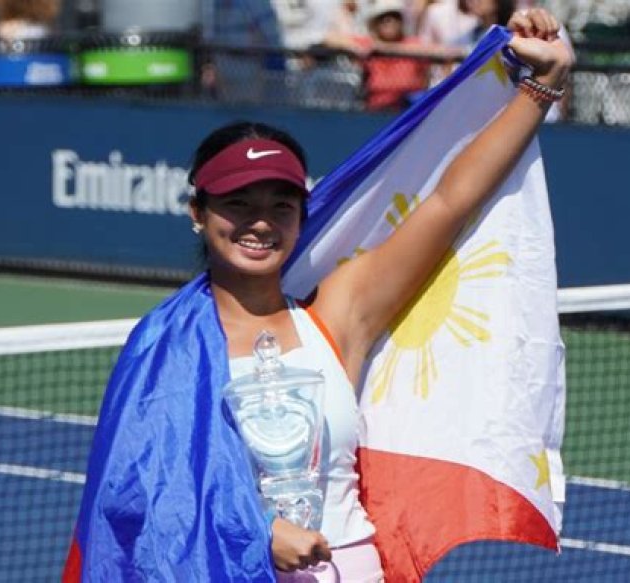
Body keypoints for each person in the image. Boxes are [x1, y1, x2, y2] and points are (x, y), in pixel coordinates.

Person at [64, 8, 572, 581]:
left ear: (301, 217)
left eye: (280, 206)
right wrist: (257, 534)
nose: (260, 223)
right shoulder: (164, 348)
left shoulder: (336, 316)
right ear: (198, 214)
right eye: (237, 204)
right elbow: (142, 499)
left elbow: (448, 203)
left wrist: (541, 86)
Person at [323, 0, 465, 111]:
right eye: (384, 19)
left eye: (394, 17)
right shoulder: (370, 44)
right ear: (375, 23)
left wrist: (388, 49)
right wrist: (357, 47)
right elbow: (329, 39)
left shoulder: (413, 43)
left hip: (409, 109)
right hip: (375, 108)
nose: (389, 22)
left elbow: (448, 52)